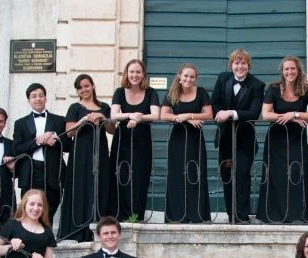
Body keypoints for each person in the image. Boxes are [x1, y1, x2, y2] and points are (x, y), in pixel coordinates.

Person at [256, 56, 308, 223]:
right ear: (282, 71)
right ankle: (273, 215)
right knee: (276, 175)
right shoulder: (274, 88)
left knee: (297, 173)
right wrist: (290, 118)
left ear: (298, 70)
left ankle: (298, 215)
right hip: (276, 138)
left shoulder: (307, 89)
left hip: (297, 138)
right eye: (286, 69)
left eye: (293, 68)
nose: (289, 72)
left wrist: (296, 114)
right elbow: (266, 114)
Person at [211, 48, 265, 224]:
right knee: (227, 176)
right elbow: (215, 104)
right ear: (231, 65)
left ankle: (242, 215)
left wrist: (230, 113)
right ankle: (231, 215)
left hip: (245, 140)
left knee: (242, 175)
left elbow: (254, 112)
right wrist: (220, 113)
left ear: (248, 65)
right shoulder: (223, 78)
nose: (239, 66)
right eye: (236, 63)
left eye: (243, 63)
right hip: (225, 138)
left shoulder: (257, 85)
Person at [62, 74, 115, 242]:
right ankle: (78, 229)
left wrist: (102, 117)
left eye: (86, 86)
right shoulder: (75, 107)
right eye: (80, 87)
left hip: (100, 152)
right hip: (80, 153)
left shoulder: (104, 107)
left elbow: (112, 130)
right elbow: (69, 132)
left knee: (100, 185)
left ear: (92, 86)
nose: (84, 89)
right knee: (80, 185)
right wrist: (84, 119)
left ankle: (98, 226)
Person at [160, 63, 213, 223]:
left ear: (195, 78)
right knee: (177, 175)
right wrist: (184, 119)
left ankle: (196, 214)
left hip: (195, 140)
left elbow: (209, 115)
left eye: (192, 77)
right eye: (186, 76)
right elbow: (164, 115)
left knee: (195, 173)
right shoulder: (172, 93)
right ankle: (177, 215)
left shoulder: (201, 92)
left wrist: (189, 115)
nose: (188, 79)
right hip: (178, 139)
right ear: (180, 76)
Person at [110, 59, 160, 221]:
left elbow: (156, 115)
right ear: (127, 73)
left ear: (143, 74)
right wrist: (130, 115)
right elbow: (113, 115)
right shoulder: (119, 92)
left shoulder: (151, 92)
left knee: (139, 177)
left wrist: (139, 118)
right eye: (132, 72)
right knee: (121, 174)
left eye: (138, 72)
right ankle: (119, 215)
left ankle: (135, 216)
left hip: (142, 140)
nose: (135, 75)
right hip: (122, 139)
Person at [12, 83, 69, 223]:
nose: (38, 99)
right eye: (34, 96)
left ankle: (45, 232)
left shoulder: (59, 120)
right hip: (31, 171)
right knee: (29, 209)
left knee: (51, 208)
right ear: (29, 100)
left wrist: (54, 135)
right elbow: (17, 149)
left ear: (46, 98)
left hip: (53, 172)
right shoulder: (20, 123)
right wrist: (39, 141)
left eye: (40, 95)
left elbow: (68, 146)